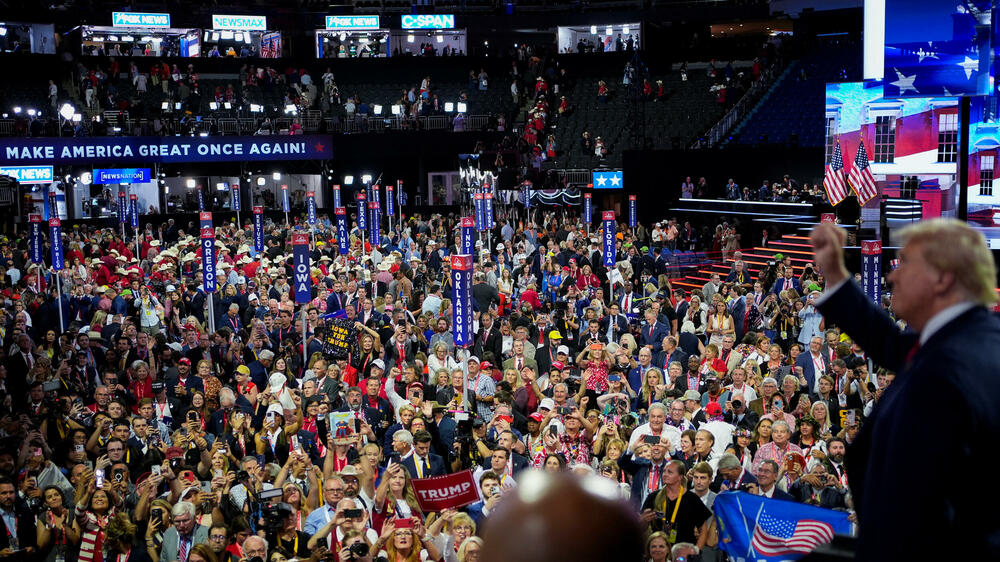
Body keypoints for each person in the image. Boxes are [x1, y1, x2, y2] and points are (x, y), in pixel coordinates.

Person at [810, 219, 1000, 560]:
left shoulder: (942, 375)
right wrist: (836, 275)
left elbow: (911, 516)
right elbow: (893, 346)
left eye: (905, 263)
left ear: (943, 278)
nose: (892, 275)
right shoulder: (975, 337)